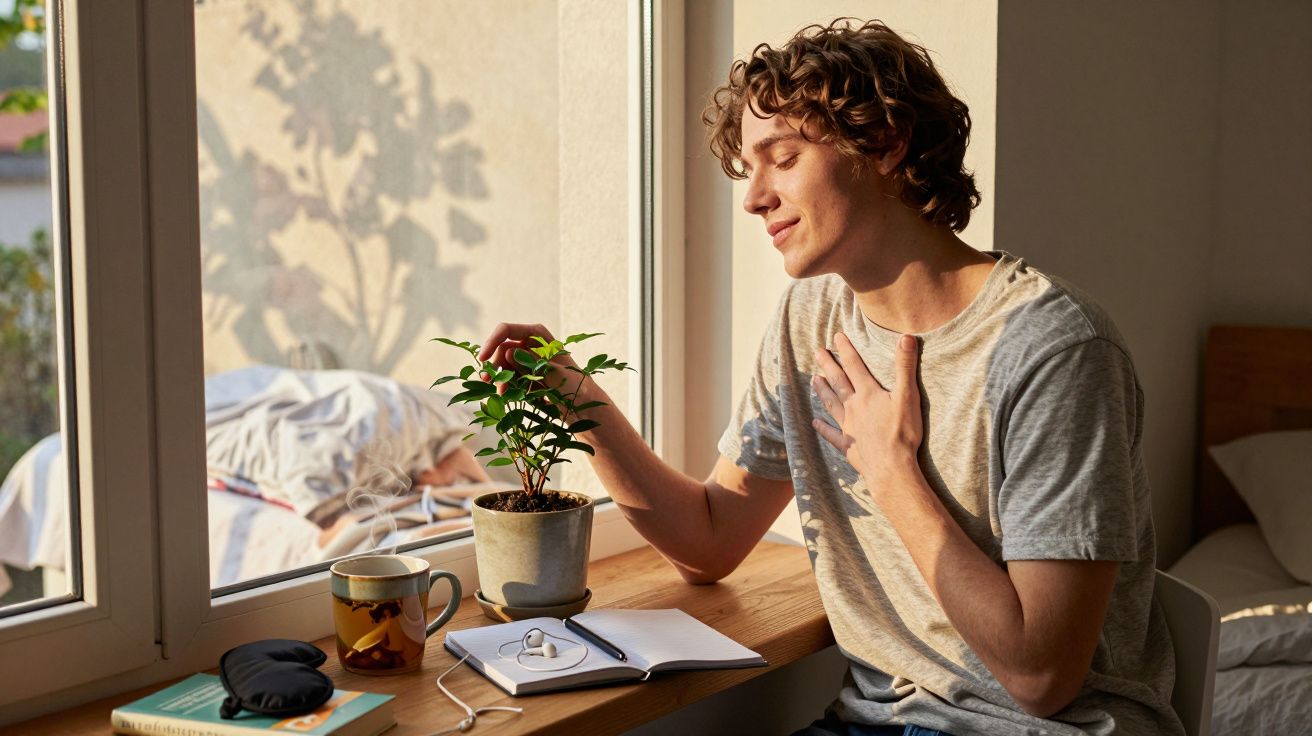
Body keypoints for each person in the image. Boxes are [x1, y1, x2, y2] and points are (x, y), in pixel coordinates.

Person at [476, 18, 1183, 736]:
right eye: (748, 169)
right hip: (875, 721)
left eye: (781, 157)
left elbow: (1040, 676)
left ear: (884, 144)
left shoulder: (1054, 349)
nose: (754, 198)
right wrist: (579, 398)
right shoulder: (810, 320)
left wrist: (889, 469)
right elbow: (711, 540)